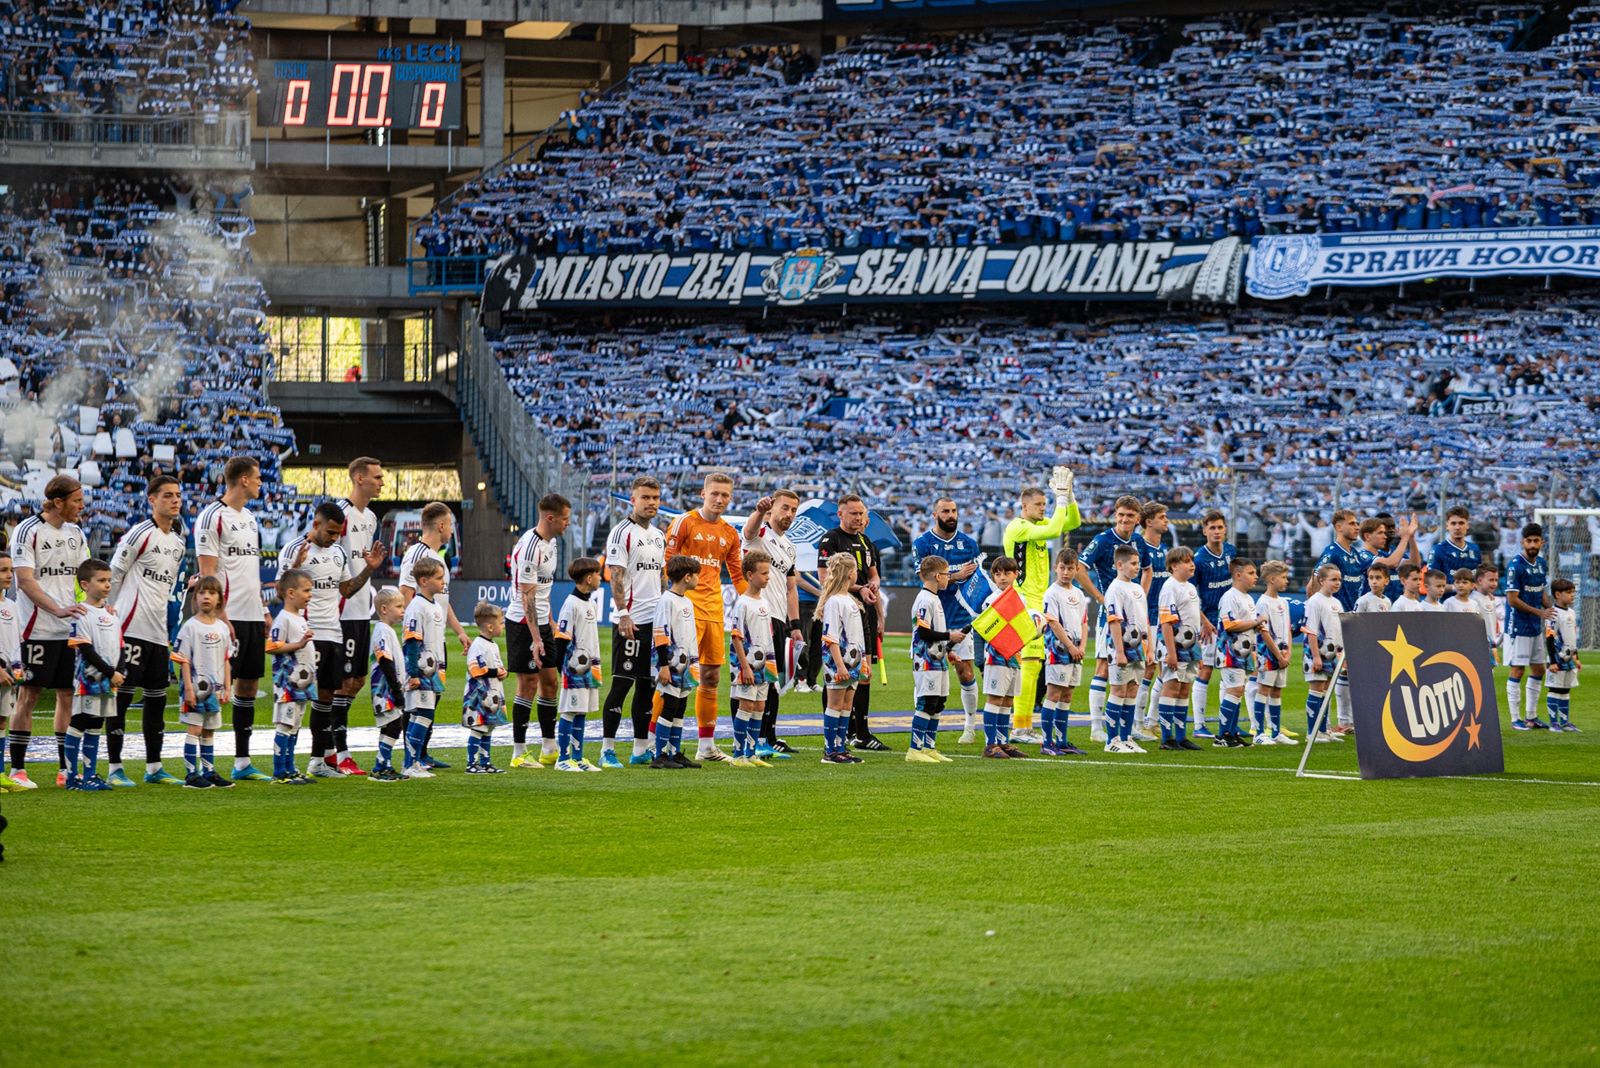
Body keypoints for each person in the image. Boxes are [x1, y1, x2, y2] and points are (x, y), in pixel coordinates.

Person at [280, 501, 385, 778]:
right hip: (306, 633)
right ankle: (285, 765)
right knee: (298, 697)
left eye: (339, 533)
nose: (335, 537)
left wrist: (369, 569)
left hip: (333, 633)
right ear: (316, 525)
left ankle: (319, 761)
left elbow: (347, 590)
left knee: (326, 697)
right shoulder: (295, 550)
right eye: (331, 532)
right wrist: (294, 567)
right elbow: (282, 592)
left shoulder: (338, 553)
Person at [9, 475, 90, 790]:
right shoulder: (28, 531)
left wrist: (93, 608)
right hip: (37, 627)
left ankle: (64, 769)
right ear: (58, 502)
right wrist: (56, 608)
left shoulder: (76, 533)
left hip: (69, 628)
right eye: (77, 501)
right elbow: (26, 581)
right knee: (29, 694)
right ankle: (18, 769)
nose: (81, 507)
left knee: (67, 695)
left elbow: (84, 578)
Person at [196, 455, 273, 782]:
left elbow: (249, 571)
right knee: (212, 688)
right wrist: (220, 616)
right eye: (256, 478)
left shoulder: (251, 519)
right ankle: (204, 765)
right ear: (243, 479)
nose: (259, 483)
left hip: (253, 615)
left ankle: (242, 761)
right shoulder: (212, 516)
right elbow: (207, 574)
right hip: (227, 618)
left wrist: (264, 609)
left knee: (249, 684)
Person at [108, 474, 187, 787]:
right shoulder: (140, 533)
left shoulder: (178, 544)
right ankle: (115, 767)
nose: (175, 500)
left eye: (177, 495)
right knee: (122, 699)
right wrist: (110, 616)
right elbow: (115, 573)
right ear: (152, 500)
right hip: (130, 627)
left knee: (156, 699)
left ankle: (154, 767)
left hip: (157, 633)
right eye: (167, 495)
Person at [663, 473, 745, 762]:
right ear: (703, 494)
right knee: (675, 676)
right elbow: (668, 563)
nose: (720, 499)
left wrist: (750, 603)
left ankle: (706, 746)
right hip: (686, 609)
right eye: (715, 494)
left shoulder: (730, 533)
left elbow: (737, 573)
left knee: (711, 677)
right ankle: (655, 743)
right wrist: (675, 601)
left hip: (714, 610)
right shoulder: (685, 522)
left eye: (725, 495)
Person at [1001, 475, 1081, 743]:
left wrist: (1068, 496)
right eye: (1038, 504)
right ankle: (1020, 728)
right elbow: (1055, 530)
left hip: (1036, 601)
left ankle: (1020, 726)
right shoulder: (1018, 527)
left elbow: (1072, 523)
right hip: (1023, 601)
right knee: (1030, 665)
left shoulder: (1037, 524)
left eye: (1045, 503)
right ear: (1024, 507)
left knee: (1032, 666)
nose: (1043, 508)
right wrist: (1060, 498)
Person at [398, 502, 472, 768]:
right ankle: (412, 755)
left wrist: (460, 631)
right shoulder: (416, 554)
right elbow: (405, 596)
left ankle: (423, 751)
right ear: (441, 525)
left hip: (437, 639)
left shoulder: (437, 556)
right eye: (450, 524)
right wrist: (413, 636)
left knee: (434, 694)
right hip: (423, 640)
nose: (451, 530)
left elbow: (442, 599)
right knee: (418, 697)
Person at [602, 477, 666, 767]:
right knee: (621, 685)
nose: (651, 502)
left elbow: (660, 578)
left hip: (654, 622)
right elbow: (616, 575)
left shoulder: (658, 535)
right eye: (645, 497)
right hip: (631, 621)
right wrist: (623, 613)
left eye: (655, 497)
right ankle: (607, 749)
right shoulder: (621, 533)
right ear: (633, 500)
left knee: (647, 687)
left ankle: (640, 749)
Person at [505, 493, 570, 769]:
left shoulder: (552, 544)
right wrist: (535, 639)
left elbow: (544, 590)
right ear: (550, 518)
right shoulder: (528, 548)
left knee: (550, 682)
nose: (568, 524)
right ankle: (519, 751)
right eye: (565, 519)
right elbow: (527, 597)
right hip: (522, 624)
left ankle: (548, 747)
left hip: (543, 623)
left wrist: (551, 622)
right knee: (528, 684)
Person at [815, 495, 885, 751]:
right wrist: (859, 587)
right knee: (837, 674)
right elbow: (825, 579)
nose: (858, 518)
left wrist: (873, 589)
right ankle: (835, 736)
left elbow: (874, 574)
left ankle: (861, 732)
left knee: (863, 673)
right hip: (841, 611)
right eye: (853, 513)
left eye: (861, 513)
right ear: (840, 514)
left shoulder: (866, 541)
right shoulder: (830, 539)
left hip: (863, 611)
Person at [741, 489, 806, 758]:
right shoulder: (761, 534)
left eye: (793, 509)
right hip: (759, 616)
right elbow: (747, 533)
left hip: (780, 619)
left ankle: (768, 737)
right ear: (772, 509)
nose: (789, 514)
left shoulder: (789, 547)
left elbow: (792, 589)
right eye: (785, 508)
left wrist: (796, 624)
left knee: (773, 681)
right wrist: (758, 511)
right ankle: (746, 739)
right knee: (753, 678)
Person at [911, 497, 982, 742]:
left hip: (961, 617)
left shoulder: (969, 543)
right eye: (945, 511)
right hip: (935, 617)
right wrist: (955, 575)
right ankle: (922, 733)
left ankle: (970, 727)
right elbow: (923, 575)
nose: (951, 515)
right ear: (935, 514)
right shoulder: (923, 543)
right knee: (929, 674)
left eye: (954, 510)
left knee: (965, 671)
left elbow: (976, 580)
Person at [1079, 494, 1148, 743]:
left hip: (1133, 617)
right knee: (1102, 668)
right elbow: (1079, 567)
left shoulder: (1139, 541)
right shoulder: (1103, 540)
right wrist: (1101, 597)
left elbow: (1147, 569)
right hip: (1113, 615)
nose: (1124, 519)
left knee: (1132, 676)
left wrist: (1141, 595)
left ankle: (1125, 731)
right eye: (1120, 515)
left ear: (1138, 519)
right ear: (1114, 515)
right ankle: (1097, 727)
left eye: (1130, 516)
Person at [334, 457, 388, 776]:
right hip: (340, 611)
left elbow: (363, 561)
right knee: (341, 682)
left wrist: (370, 568)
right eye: (377, 477)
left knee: (357, 680)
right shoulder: (340, 513)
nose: (382, 482)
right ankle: (338, 752)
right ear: (358, 478)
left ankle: (330, 741)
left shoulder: (370, 517)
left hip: (360, 608)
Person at [63, 559, 121, 791]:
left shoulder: (112, 613)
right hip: (89, 680)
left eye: (109, 580)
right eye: (101, 580)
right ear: (85, 585)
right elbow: (85, 648)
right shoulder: (81, 612)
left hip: (109, 679)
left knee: (97, 723)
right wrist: (110, 672)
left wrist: (121, 669)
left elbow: (120, 645)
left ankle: (89, 775)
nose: (107, 585)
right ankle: (70, 776)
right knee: (80, 721)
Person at [172, 575, 235, 789]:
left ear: (219, 599)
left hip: (214, 691)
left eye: (211, 593)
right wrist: (188, 688)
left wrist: (228, 687)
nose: (206, 597)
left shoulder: (222, 628)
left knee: (209, 730)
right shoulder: (190, 627)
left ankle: (209, 771)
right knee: (195, 729)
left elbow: (226, 659)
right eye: (202, 592)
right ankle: (191, 774)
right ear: (195, 597)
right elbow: (183, 659)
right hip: (195, 690)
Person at [552, 557, 604, 772]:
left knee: (581, 711)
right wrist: (562, 670)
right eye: (598, 574)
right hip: (574, 670)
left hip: (590, 669)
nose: (601, 578)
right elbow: (561, 638)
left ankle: (578, 756)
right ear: (589, 578)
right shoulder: (571, 604)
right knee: (569, 711)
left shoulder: (590, 602)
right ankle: (562, 759)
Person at [650, 555, 703, 769]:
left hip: (686, 666)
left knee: (681, 706)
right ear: (688, 577)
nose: (699, 579)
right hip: (671, 665)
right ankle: (660, 754)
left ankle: (674, 752)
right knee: (669, 705)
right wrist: (663, 665)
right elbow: (661, 635)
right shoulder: (667, 600)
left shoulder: (687, 601)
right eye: (697, 575)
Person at [907, 555, 960, 764]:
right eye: (947, 574)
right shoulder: (924, 599)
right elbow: (924, 633)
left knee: (938, 703)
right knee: (927, 702)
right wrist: (949, 636)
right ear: (938, 576)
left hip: (938, 659)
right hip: (925, 661)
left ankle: (929, 747)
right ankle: (914, 749)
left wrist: (947, 650)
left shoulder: (934, 598)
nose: (948, 578)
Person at [266, 569, 317, 785]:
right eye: (306, 590)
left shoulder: (299, 618)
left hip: (302, 683)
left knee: (295, 724)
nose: (310, 595)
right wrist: (299, 644)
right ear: (290, 593)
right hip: (288, 682)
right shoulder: (283, 619)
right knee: (286, 724)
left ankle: (290, 768)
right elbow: (271, 646)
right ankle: (279, 772)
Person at [727, 549, 777, 768]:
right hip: (746, 664)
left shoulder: (764, 602)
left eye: (768, 573)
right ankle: (738, 755)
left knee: (759, 706)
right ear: (749, 575)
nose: (768, 577)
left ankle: (751, 752)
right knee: (746, 705)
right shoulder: (743, 603)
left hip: (764, 663)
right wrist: (744, 667)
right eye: (764, 573)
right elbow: (737, 637)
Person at [816, 553, 866, 765]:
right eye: (855, 570)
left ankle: (840, 747)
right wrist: (838, 665)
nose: (857, 574)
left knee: (847, 704)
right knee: (835, 704)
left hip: (852, 661)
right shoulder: (835, 601)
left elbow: (857, 636)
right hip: (839, 662)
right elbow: (831, 637)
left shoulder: (849, 600)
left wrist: (862, 662)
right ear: (849, 573)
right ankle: (830, 751)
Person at [400, 556, 448, 777]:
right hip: (420, 672)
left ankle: (415, 761)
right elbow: (412, 642)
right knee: (423, 714)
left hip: (432, 671)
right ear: (423, 580)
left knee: (422, 715)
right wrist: (413, 673)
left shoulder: (436, 605)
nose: (443, 581)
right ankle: (410, 763)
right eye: (439, 578)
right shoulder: (416, 607)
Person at [1189, 510, 1235, 740]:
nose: (1217, 532)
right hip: (1210, 624)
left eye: (1220, 527)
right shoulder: (1199, 560)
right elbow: (1189, 594)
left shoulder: (1231, 552)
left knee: (1230, 671)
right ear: (1205, 530)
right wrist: (1204, 622)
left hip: (1231, 623)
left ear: (1225, 529)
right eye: (1212, 528)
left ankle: (1228, 725)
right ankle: (1199, 725)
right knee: (1205, 670)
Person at [1102, 545, 1152, 755]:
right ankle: (1111, 740)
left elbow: (1145, 620)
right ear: (1119, 565)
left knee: (1132, 689)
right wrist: (1120, 651)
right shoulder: (1115, 589)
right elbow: (1114, 621)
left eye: (1138, 563)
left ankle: (1126, 737)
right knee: (1118, 690)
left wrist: (1149, 649)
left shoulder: (1138, 588)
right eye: (1133, 564)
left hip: (1138, 646)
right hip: (1121, 645)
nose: (1137, 567)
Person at [1040, 548, 1089, 756]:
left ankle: (1061, 740)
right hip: (1059, 648)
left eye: (1070, 568)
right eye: (1062, 568)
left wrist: (1082, 646)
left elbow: (1084, 622)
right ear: (1055, 568)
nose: (1066, 572)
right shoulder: (1052, 593)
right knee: (1053, 693)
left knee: (1067, 694)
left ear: (1077, 569)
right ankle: (1046, 742)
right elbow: (1053, 622)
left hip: (1077, 647)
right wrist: (1070, 646)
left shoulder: (1078, 593)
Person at [1155, 546, 1202, 751]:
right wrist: (1171, 652)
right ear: (1174, 566)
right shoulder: (1170, 587)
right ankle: (1167, 737)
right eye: (1186, 561)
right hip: (1173, 645)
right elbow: (1166, 622)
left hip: (1190, 646)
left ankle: (1181, 736)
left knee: (1184, 688)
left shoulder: (1189, 587)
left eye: (1191, 560)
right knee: (1172, 685)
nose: (1191, 564)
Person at [1505, 523, 1551, 730]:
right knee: (1517, 670)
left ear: (1542, 542)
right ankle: (1516, 719)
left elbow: (1540, 591)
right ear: (1523, 542)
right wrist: (1540, 612)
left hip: (1535, 626)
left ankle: (1531, 717)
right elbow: (1512, 599)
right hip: (1519, 626)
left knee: (1539, 669)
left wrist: (1553, 610)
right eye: (1529, 541)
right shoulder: (1516, 565)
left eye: (1536, 540)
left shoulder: (1541, 563)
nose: (1533, 544)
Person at [1215, 559, 1262, 749]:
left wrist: (1256, 626)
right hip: (1230, 651)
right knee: (1233, 690)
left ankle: (1232, 733)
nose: (1255, 576)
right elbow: (1229, 624)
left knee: (1238, 690)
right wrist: (1255, 622)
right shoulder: (1230, 596)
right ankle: (1222, 736)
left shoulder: (1249, 598)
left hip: (1243, 651)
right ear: (1238, 575)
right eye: (1251, 573)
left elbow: (1248, 625)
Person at [1134, 499, 1170, 737]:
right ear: (1149, 522)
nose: (1166, 521)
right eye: (1162, 518)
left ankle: (1151, 719)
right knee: (1146, 669)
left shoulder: (1163, 551)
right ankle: (1137, 722)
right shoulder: (1140, 549)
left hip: (1163, 617)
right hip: (1146, 617)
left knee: (1164, 669)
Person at [1252, 560, 1295, 746]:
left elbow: (1288, 629)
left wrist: (1288, 652)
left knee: (1277, 692)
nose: (1286, 581)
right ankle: (1259, 733)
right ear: (1271, 579)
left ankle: (1276, 732)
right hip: (1268, 654)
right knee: (1264, 689)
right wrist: (1277, 655)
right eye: (1283, 577)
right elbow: (1264, 631)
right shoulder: (1262, 603)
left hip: (1282, 653)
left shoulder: (1283, 602)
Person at [1301, 563, 1345, 743]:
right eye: (1333, 579)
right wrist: (1316, 656)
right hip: (1317, 653)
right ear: (1321, 580)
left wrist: (1342, 655)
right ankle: (1312, 732)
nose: (1337, 583)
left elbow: (1340, 631)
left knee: (1326, 690)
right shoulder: (1315, 601)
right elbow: (1311, 630)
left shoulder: (1336, 602)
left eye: (1339, 580)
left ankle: (1323, 729)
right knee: (1316, 688)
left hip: (1333, 654)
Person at [463, 601, 508, 773]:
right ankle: (471, 763)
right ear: (490, 626)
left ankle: (485, 762)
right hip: (479, 696)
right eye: (501, 623)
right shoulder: (478, 645)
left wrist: (503, 673)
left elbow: (497, 667)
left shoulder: (493, 645)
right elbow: (476, 670)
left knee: (488, 728)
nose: (503, 626)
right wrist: (497, 671)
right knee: (478, 728)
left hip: (493, 696)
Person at [367, 587, 406, 781]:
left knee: (391, 724)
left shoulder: (387, 630)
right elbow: (385, 660)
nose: (402, 611)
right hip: (385, 688)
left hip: (388, 687)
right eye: (398, 606)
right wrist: (396, 689)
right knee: (393, 725)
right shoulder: (382, 631)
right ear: (384, 609)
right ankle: (381, 765)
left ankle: (383, 764)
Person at [1545, 578, 1581, 732]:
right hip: (1557, 657)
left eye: (1573, 592)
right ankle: (1554, 723)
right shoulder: (1553, 614)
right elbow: (1549, 637)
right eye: (1568, 592)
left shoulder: (1572, 612)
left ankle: (1565, 722)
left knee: (1566, 689)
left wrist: (1576, 658)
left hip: (1569, 658)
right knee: (1555, 689)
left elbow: (1572, 637)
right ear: (1557, 594)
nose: (1572, 595)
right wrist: (1552, 661)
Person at [0, 552, 23, 791]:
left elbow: (16, 641)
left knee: (1, 722)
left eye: (11, 570)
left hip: (8, 674)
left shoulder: (13, 606)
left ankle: (0, 773)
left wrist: (18, 667)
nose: (9, 575)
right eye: (3, 570)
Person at [1429, 506, 1482, 576]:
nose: (1457, 527)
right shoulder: (1438, 549)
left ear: (1467, 525)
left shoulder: (1475, 548)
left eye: (1461, 523)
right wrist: (1454, 587)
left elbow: (1478, 578)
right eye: (1453, 523)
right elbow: (1431, 581)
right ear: (1447, 526)